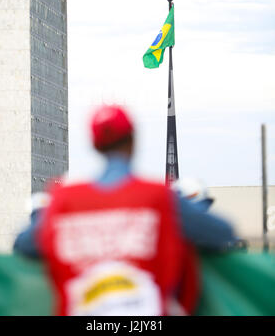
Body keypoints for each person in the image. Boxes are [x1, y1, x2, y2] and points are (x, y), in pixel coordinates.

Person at [13, 105, 238, 315]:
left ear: (94, 146)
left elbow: (24, 245)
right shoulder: (158, 196)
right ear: (133, 141)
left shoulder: (64, 199)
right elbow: (223, 233)